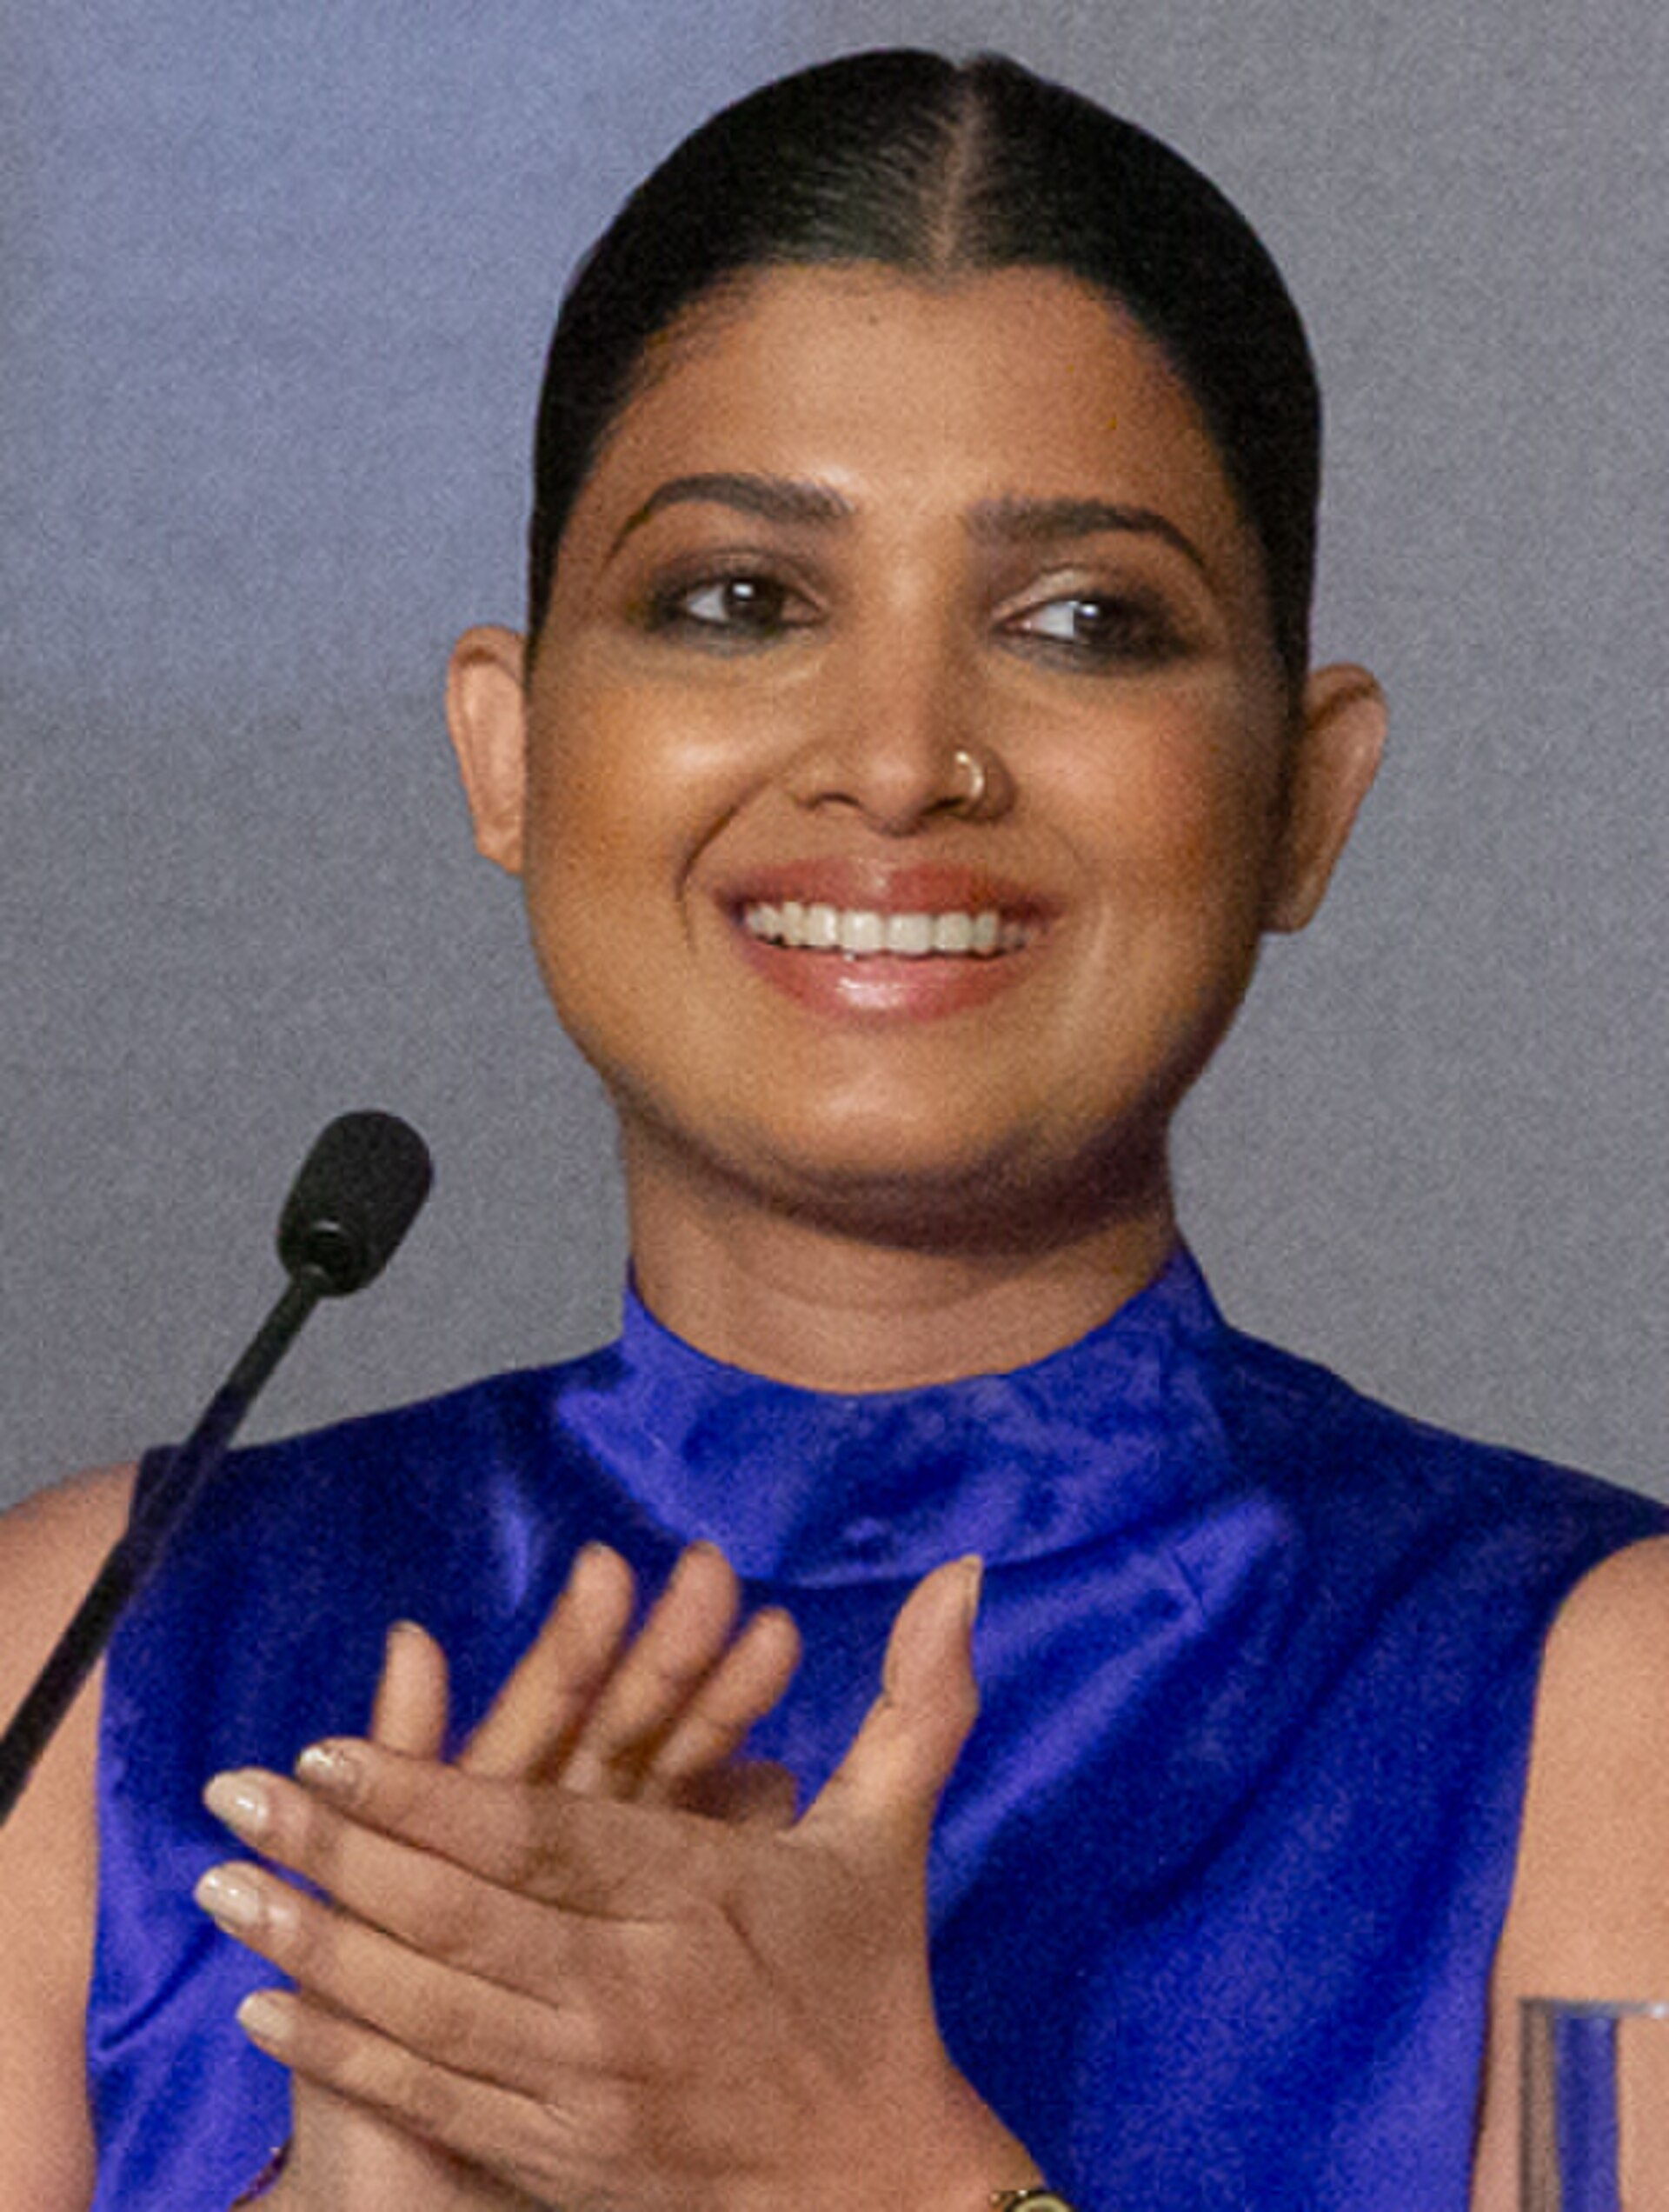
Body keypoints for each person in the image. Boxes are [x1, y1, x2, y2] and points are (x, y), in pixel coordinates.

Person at [2, 46, 1667, 2212]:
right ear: (509, 754)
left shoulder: (1605, 1715)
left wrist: (889, 2180)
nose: (897, 761)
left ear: (1305, 796)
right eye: (736, 601)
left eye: (1085, 622)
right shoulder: (86, 1661)